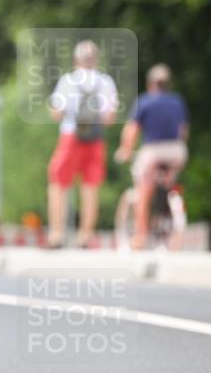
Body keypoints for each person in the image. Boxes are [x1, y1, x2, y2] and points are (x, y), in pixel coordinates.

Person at [46, 40, 118, 248]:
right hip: (95, 138)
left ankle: (56, 234)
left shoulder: (68, 81)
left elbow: (56, 113)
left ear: (76, 59)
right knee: (90, 187)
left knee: (57, 183)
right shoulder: (106, 82)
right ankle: (85, 235)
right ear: (96, 59)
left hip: (70, 136)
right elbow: (110, 118)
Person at [115, 64, 189, 249]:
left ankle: (140, 236)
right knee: (169, 181)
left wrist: (125, 150)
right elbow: (183, 130)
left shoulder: (145, 101)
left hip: (153, 152)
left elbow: (132, 130)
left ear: (150, 84)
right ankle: (171, 203)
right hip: (177, 150)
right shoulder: (177, 102)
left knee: (143, 189)